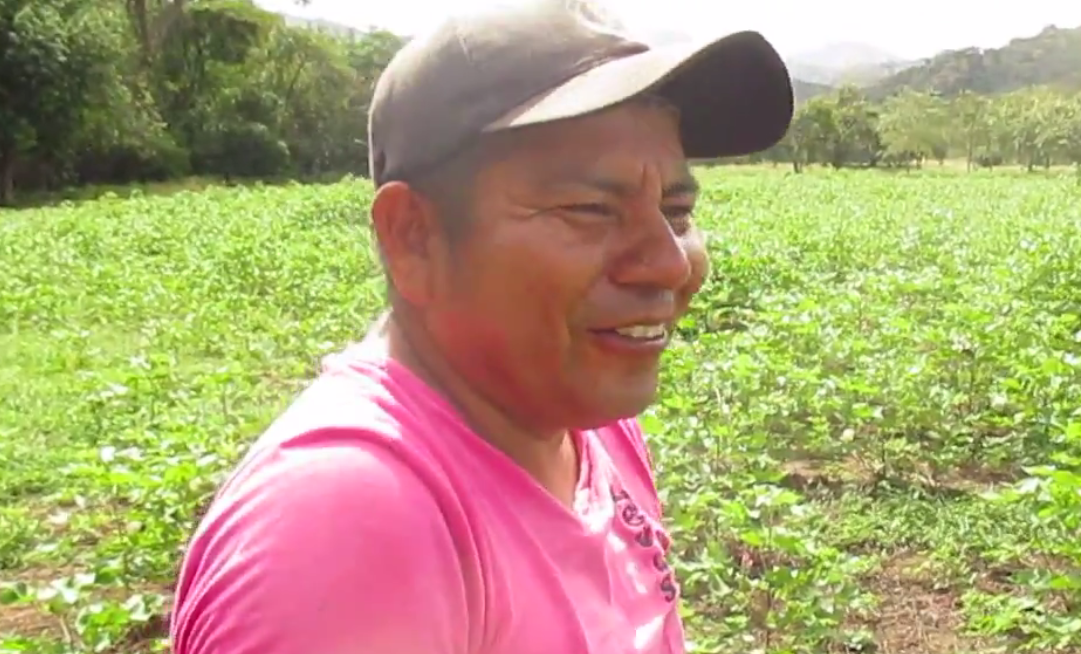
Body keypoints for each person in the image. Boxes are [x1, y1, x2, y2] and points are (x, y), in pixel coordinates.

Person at [168, 0, 793, 652]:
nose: (667, 262)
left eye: (675, 209)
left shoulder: (585, 418)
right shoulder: (347, 526)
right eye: (589, 210)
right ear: (415, 239)